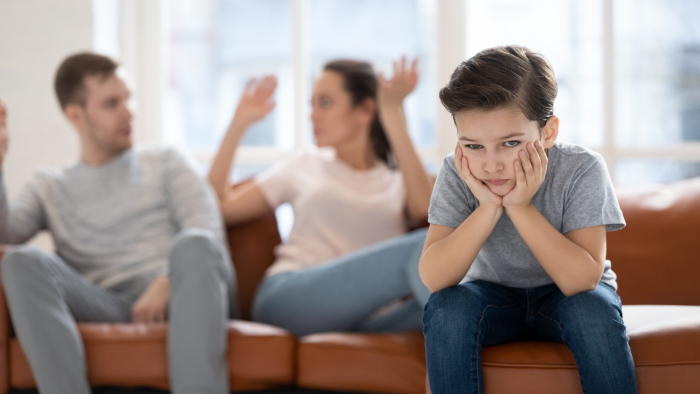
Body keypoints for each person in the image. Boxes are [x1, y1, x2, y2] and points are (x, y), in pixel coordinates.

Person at [0, 53, 236, 394]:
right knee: (20, 261)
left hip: (186, 295)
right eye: (112, 103)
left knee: (196, 241)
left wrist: (167, 280)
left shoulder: (167, 160)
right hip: (107, 303)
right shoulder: (48, 185)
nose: (129, 112)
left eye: (129, 98)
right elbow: (5, 237)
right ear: (75, 115)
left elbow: (208, 234)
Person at [419, 46, 637, 394]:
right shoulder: (457, 172)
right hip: (493, 295)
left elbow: (581, 280)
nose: (491, 165)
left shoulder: (582, 169)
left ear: (547, 133)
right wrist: (488, 207)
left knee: (592, 309)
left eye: (510, 143)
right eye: (473, 146)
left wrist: (520, 207)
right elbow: (434, 277)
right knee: (447, 308)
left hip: (566, 295)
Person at [208, 58, 433, 336]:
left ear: (365, 111)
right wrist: (239, 123)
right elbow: (217, 206)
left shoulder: (397, 181)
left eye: (325, 103)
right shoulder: (305, 163)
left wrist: (392, 109)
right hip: (291, 297)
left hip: (369, 319)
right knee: (425, 248)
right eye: (311, 104)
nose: (312, 115)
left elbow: (424, 207)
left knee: (444, 310)